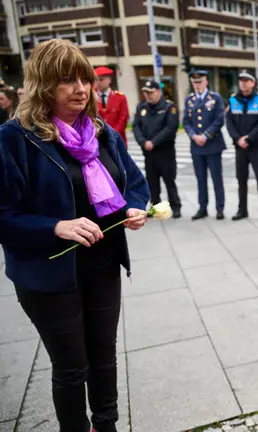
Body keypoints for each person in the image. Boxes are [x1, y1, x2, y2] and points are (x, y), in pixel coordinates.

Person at [0, 39, 149, 432]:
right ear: (42, 85)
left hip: (102, 265)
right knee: (71, 367)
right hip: (49, 274)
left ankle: (108, 424)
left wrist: (133, 207)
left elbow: (134, 183)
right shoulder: (15, 138)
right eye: (67, 80)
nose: (81, 88)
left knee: (104, 357)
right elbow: (4, 214)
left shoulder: (102, 135)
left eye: (84, 79)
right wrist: (55, 227)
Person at [226, 69, 258, 222]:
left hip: (256, 147)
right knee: (241, 180)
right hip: (240, 148)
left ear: (253, 83)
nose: (243, 84)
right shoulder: (233, 101)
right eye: (241, 81)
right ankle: (242, 210)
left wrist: (249, 138)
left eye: (247, 81)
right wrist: (238, 139)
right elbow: (229, 123)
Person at [133, 79, 182, 218]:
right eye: (145, 93)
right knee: (152, 182)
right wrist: (143, 142)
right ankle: (155, 206)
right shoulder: (142, 108)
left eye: (151, 92)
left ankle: (175, 206)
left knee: (169, 181)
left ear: (159, 92)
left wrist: (153, 142)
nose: (148, 95)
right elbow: (136, 127)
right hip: (149, 153)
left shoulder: (168, 107)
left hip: (165, 152)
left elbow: (170, 128)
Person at [183, 69, 226, 220]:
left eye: (200, 81)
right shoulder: (189, 100)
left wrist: (206, 135)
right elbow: (186, 121)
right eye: (194, 82)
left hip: (213, 145)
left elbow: (220, 119)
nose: (197, 85)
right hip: (196, 147)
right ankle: (203, 207)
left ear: (206, 81)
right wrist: (193, 135)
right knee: (200, 179)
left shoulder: (215, 98)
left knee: (216, 178)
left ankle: (220, 208)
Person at [94, 66, 129, 146]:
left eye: (101, 79)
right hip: (99, 139)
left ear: (109, 80)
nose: (98, 83)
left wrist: (112, 134)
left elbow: (123, 119)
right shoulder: (91, 97)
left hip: (117, 138)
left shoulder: (120, 97)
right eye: (96, 80)